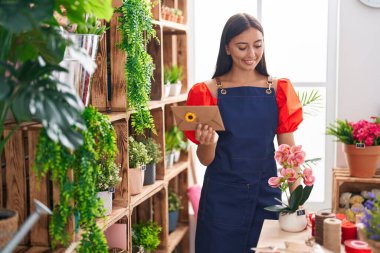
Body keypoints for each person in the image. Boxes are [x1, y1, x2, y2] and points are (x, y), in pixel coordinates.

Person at [184, 13, 303, 252]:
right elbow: (206, 159)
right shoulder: (207, 93)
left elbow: (288, 155)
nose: (251, 55)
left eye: (257, 46)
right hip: (221, 199)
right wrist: (209, 142)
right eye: (242, 47)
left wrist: (298, 204)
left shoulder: (279, 90)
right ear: (227, 48)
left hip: (266, 197)